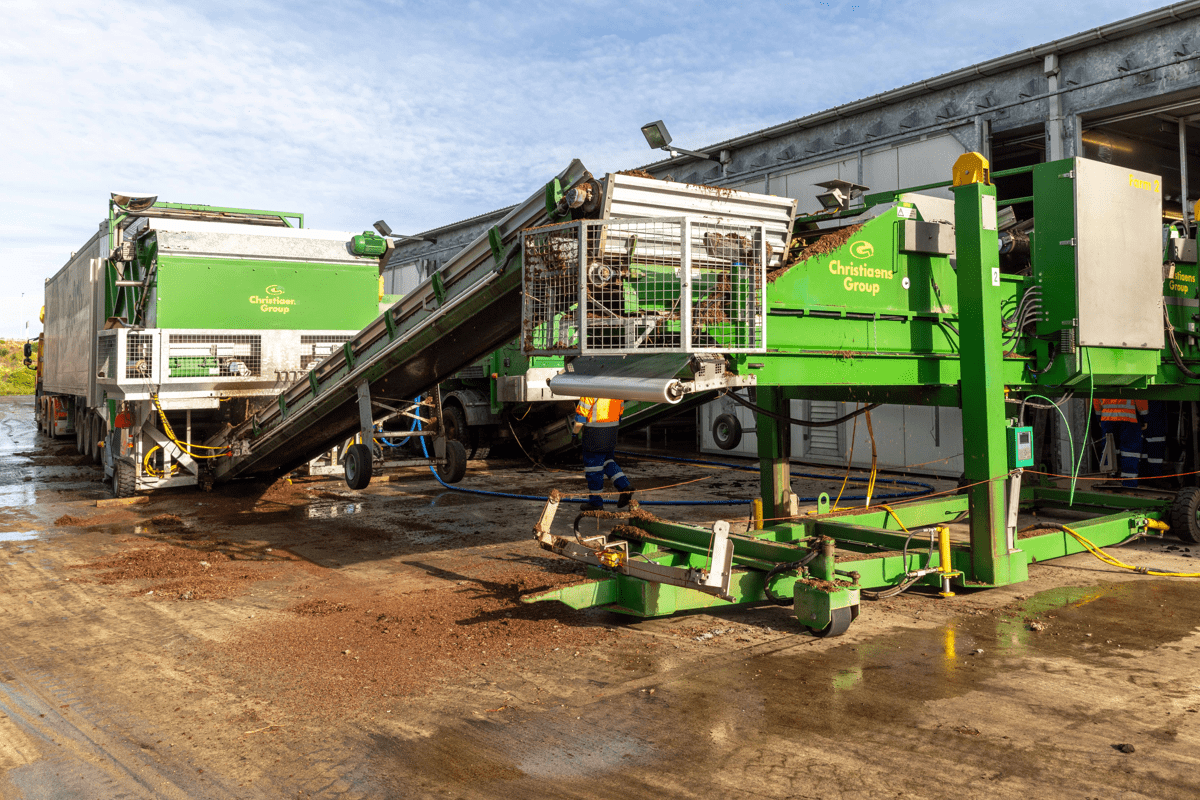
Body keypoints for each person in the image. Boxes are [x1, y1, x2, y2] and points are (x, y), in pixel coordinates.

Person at [571, 396, 634, 511]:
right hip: (611, 432)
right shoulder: (615, 390)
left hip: (594, 434)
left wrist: (574, 434)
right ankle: (625, 486)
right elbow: (620, 413)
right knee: (608, 461)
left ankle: (596, 503)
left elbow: (580, 419)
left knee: (593, 468)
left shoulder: (589, 392)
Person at [1092, 398, 1148, 488]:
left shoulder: (1101, 382)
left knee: (1109, 449)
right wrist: (1144, 417)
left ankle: (1109, 480)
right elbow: (1139, 398)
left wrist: (1099, 418)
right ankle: (1129, 483)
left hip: (1107, 418)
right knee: (1130, 452)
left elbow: (1096, 398)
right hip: (1129, 419)